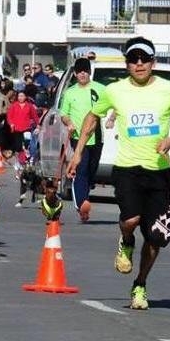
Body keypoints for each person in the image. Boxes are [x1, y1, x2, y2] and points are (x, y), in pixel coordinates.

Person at [66, 37, 170, 311]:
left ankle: (140, 284)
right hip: (127, 169)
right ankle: (126, 240)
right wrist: (77, 153)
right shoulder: (114, 90)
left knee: (156, 237)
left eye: (144, 59)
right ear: (127, 64)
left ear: (153, 62)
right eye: (133, 59)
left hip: (158, 172)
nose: (139, 64)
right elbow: (92, 117)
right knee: (131, 219)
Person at [60, 57, 107, 222]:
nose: (82, 74)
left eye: (85, 71)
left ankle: (84, 199)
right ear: (75, 73)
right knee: (81, 170)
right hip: (78, 137)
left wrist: (112, 118)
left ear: (89, 72)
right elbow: (63, 114)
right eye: (79, 71)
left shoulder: (100, 89)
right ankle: (81, 203)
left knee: (91, 171)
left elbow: (114, 106)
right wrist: (69, 123)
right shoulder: (70, 92)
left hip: (97, 137)